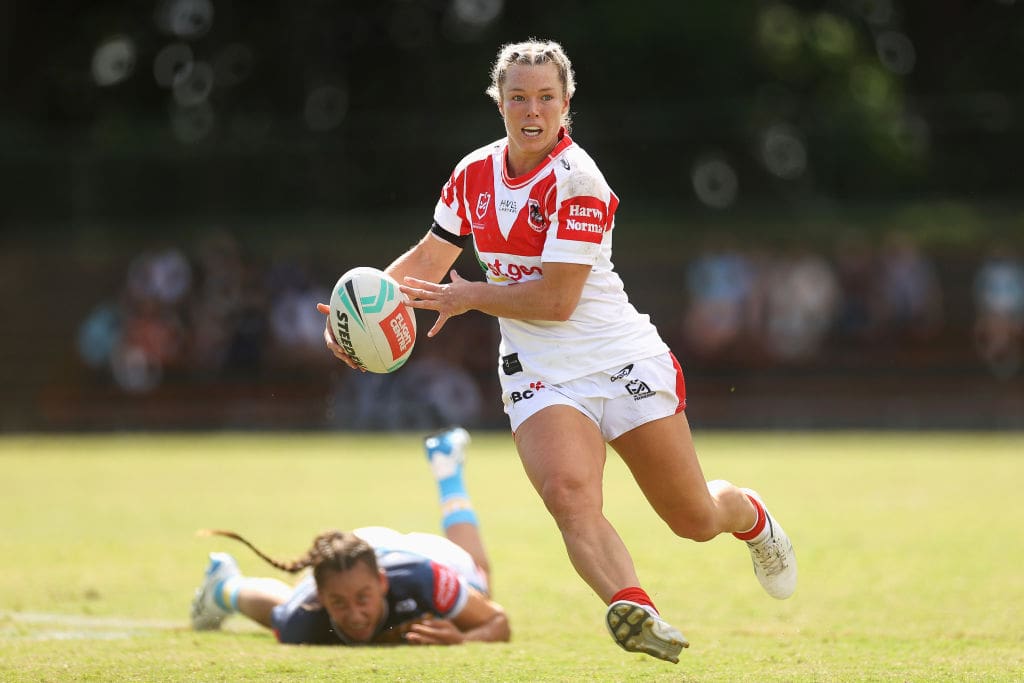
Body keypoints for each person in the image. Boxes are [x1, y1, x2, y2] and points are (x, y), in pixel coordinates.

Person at [317, 38, 796, 664]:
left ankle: (750, 516)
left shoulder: (580, 180)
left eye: (546, 97)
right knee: (570, 496)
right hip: (538, 371)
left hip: (619, 356)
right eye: (519, 97)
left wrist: (469, 298)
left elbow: (557, 301)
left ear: (566, 103)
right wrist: (360, 313)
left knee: (693, 518)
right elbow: (429, 265)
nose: (532, 109)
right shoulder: (473, 174)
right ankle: (635, 607)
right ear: (500, 103)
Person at [189, 428, 510, 646]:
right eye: (338, 604)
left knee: (481, 584)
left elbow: (499, 622)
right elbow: (285, 610)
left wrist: (464, 638)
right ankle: (222, 586)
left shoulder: (424, 578)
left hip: (423, 554)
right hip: (357, 549)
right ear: (321, 597)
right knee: (284, 609)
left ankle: (447, 468)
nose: (355, 616)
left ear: (383, 583)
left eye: (363, 599)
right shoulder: (302, 620)